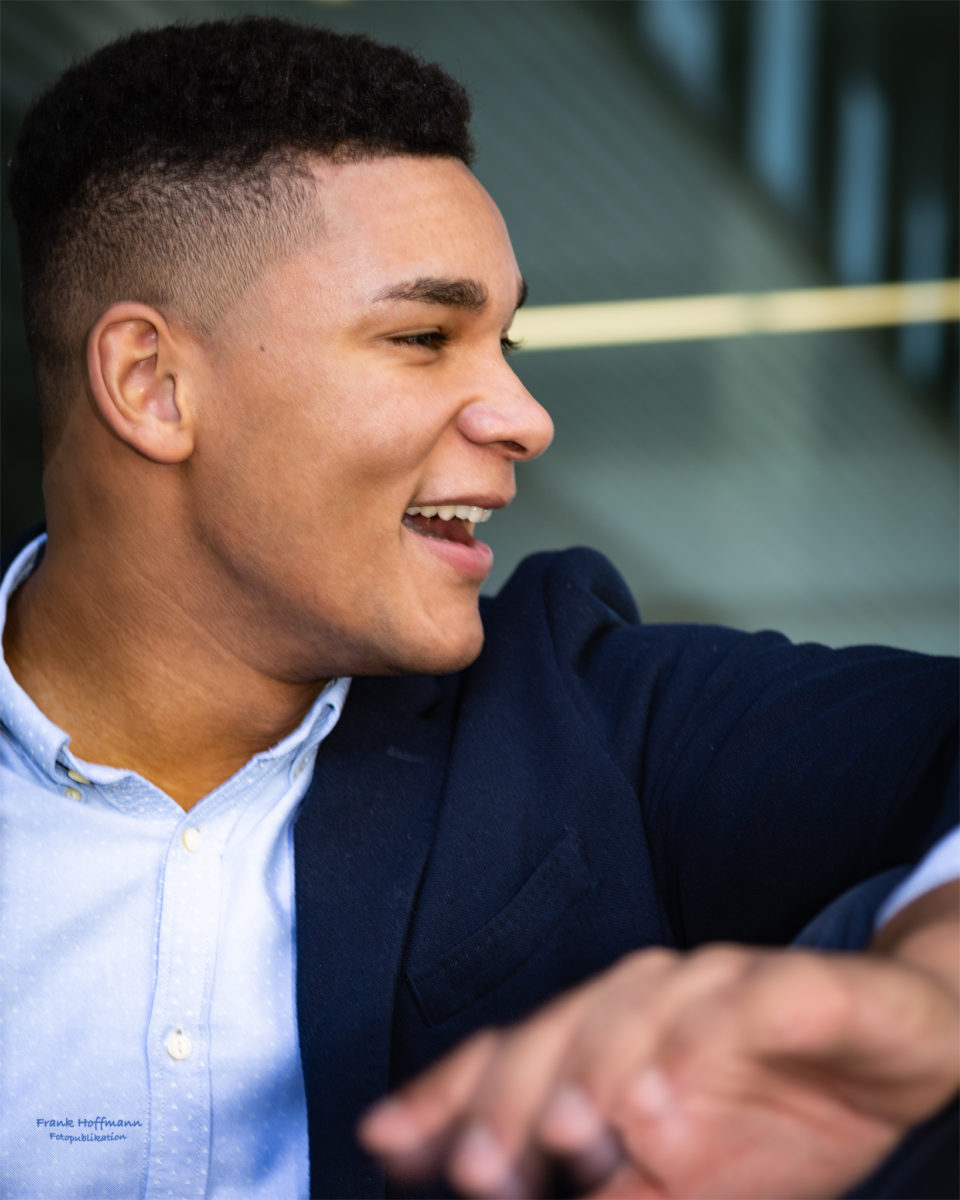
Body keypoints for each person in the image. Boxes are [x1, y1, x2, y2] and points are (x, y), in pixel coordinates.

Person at [1, 15, 956, 1200]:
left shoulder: (590, 714)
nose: (525, 416)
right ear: (153, 385)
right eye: (423, 336)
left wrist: (935, 985)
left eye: (503, 340)